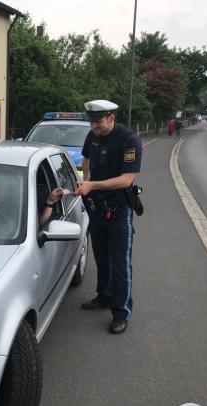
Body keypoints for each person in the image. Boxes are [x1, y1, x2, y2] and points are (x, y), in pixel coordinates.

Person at [74, 99, 142, 335]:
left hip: (119, 210)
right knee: (101, 256)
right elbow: (86, 161)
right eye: (91, 122)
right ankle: (103, 296)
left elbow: (127, 179)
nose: (94, 127)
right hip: (97, 207)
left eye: (99, 122)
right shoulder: (91, 135)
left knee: (120, 264)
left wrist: (91, 184)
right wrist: (85, 181)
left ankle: (121, 311)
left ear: (111, 118)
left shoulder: (129, 140)